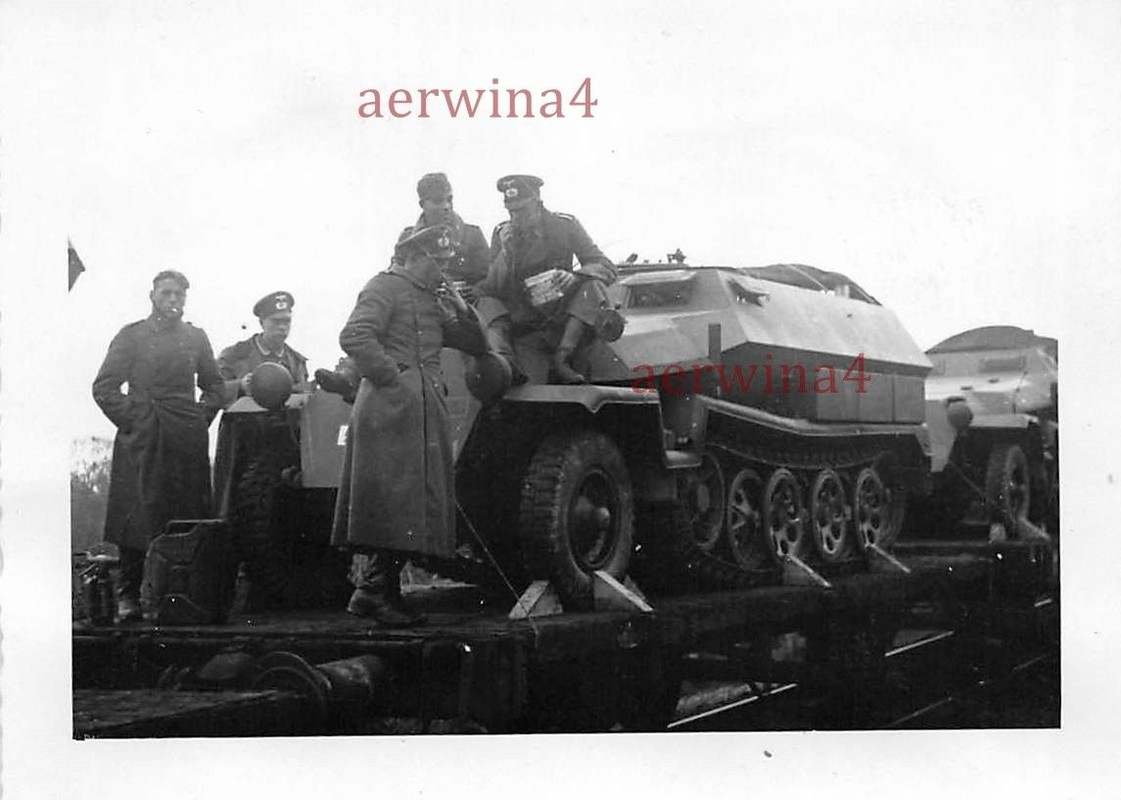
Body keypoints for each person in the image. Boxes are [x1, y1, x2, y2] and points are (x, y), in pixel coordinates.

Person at [331, 225, 485, 626]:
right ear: (416, 256)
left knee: (414, 503)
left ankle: (383, 591)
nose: (446, 270)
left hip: (421, 410)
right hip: (390, 408)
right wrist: (393, 377)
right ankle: (373, 592)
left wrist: (461, 307)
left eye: (450, 263)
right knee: (393, 501)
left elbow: (476, 344)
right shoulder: (385, 286)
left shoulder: (433, 298)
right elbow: (355, 335)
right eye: (441, 263)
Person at [92, 270, 225, 622]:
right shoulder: (132, 336)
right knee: (137, 512)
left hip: (186, 435)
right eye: (166, 293)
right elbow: (104, 387)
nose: (173, 300)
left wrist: (200, 418)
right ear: (152, 295)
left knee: (187, 513)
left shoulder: (196, 338)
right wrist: (135, 420)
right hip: (144, 435)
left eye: (179, 295)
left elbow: (215, 386)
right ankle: (129, 593)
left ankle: (182, 593)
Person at [316, 172, 490, 401]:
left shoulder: (472, 234)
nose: (446, 206)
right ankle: (349, 374)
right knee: (386, 321)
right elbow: (397, 275)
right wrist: (394, 377)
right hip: (416, 301)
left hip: (459, 303)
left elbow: (488, 277)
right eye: (438, 201)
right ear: (423, 204)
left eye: (449, 199)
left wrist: (466, 299)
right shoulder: (409, 238)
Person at [477, 174, 620, 385]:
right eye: (511, 211)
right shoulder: (502, 233)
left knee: (593, 286)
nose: (516, 217)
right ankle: (506, 364)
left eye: (522, 210)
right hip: (524, 316)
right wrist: (505, 254)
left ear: (537, 201)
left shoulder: (565, 225)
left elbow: (605, 266)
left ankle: (563, 357)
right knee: (486, 303)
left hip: (561, 312)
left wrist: (574, 276)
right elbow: (492, 288)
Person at [217, 290, 309, 401]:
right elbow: (212, 392)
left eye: (286, 321)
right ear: (261, 323)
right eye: (276, 321)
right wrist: (240, 386)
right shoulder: (235, 355)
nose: (282, 327)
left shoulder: (296, 361)